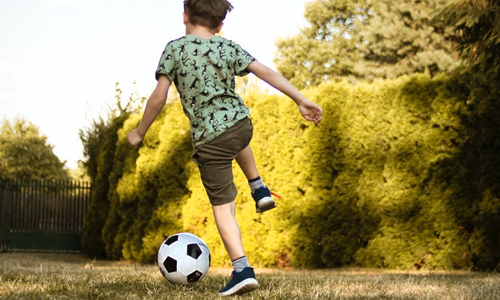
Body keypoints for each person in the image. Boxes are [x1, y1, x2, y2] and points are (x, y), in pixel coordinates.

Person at [127, 0, 323, 296]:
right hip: (241, 125)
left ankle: (242, 269)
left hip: (210, 142)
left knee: (223, 209)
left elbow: (158, 97)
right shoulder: (228, 47)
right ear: (220, 25)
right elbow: (266, 72)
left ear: (184, 17)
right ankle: (258, 187)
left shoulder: (175, 49)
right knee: (236, 136)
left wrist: (140, 132)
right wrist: (300, 99)